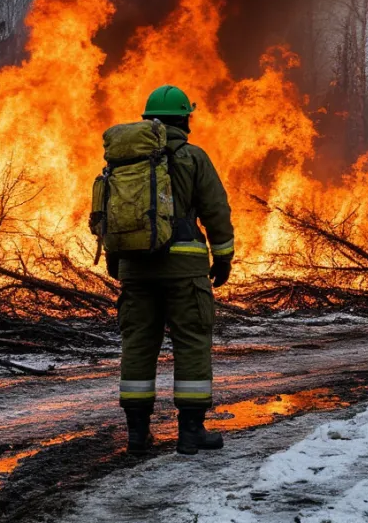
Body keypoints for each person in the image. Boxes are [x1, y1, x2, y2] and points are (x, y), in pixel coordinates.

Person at [106, 84, 235, 456]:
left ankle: (136, 434)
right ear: (184, 119)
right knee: (192, 342)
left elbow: (110, 216)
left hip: (136, 270)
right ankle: (191, 433)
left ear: (149, 119)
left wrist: (120, 262)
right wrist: (223, 257)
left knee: (138, 346)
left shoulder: (121, 160)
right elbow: (216, 211)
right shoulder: (192, 157)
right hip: (184, 271)